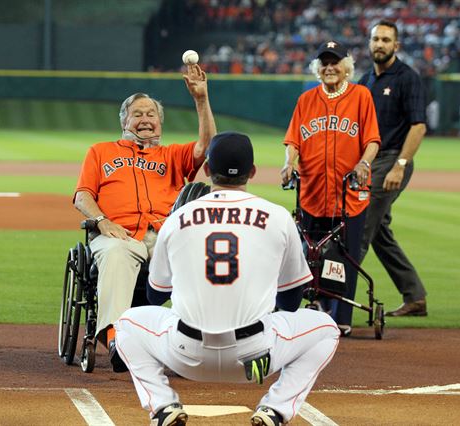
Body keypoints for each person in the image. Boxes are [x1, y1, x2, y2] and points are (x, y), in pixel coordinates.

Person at [115, 132, 340, 426]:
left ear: (207, 170)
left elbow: (156, 295)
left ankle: (162, 405)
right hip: (256, 357)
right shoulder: (278, 216)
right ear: (253, 172)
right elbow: (291, 300)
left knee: (127, 324)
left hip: (185, 357)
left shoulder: (178, 217)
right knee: (326, 328)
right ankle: (275, 409)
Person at [73, 63, 217, 371]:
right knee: (117, 252)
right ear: (124, 121)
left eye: (151, 114)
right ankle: (117, 340)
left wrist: (201, 100)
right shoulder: (100, 152)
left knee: (197, 256)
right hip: (118, 234)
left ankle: (192, 340)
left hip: (164, 236)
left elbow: (208, 146)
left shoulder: (172, 155)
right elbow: (82, 195)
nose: (145, 120)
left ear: (160, 124)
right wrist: (102, 221)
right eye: (137, 114)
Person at [281, 40, 381, 336]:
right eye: (323, 63)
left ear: (346, 66)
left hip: (349, 192)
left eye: (334, 62)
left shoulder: (361, 96)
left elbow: (372, 140)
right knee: (313, 253)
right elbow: (293, 141)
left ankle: (342, 315)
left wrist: (363, 164)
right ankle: (319, 307)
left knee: (346, 254)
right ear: (317, 68)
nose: (329, 68)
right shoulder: (307, 100)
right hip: (312, 191)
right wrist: (289, 163)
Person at [358, 20, 428, 317]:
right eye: (376, 39)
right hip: (370, 160)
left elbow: (418, 125)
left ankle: (335, 298)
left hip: (392, 159)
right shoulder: (365, 81)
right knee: (380, 233)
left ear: (396, 46)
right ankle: (415, 296)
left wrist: (400, 165)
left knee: (360, 227)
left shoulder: (407, 78)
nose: (380, 44)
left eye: (386, 40)